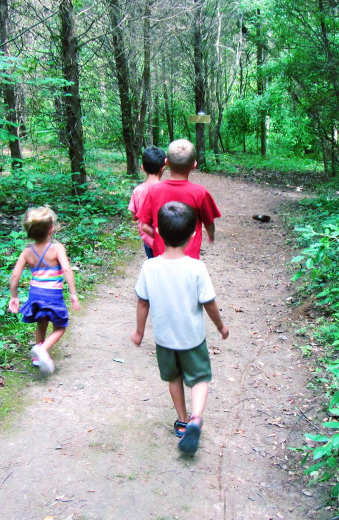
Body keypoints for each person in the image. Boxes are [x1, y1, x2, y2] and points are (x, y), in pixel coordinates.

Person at [130, 201, 229, 455]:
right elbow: (209, 302)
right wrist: (220, 326)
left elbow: (143, 301)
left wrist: (140, 332)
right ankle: (197, 417)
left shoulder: (149, 267)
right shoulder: (196, 268)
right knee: (199, 378)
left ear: (159, 233)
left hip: (164, 339)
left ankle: (183, 422)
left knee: (173, 378)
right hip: (193, 340)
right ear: (193, 234)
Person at [8, 206, 80, 374]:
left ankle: (37, 357)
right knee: (60, 326)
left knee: (42, 322)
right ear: (51, 229)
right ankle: (42, 350)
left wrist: (14, 296)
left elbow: (15, 276)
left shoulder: (27, 252)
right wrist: (73, 293)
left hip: (36, 294)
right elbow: (67, 270)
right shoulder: (57, 248)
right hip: (53, 295)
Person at [139, 139, 221, 259]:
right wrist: (211, 236)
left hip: (162, 255)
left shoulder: (153, 190)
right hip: (189, 257)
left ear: (166, 162)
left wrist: (160, 238)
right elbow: (209, 222)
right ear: (194, 165)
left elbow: (144, 225)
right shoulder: (200, 193)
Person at [128, 146, 166, 258]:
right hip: (166, 240)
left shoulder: (138, 191)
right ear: (163, 168)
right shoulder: (167, 190)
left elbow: (134, 217)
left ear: (143, 167)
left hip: (148, 239)